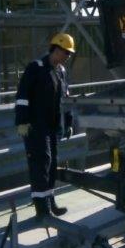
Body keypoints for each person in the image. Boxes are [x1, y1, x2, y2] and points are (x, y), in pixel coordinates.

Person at [15, 33, 76, 220]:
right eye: (66, 53)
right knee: (40, 164)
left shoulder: (61, 71)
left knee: (51, 164)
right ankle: (41, 208)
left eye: (69, 54)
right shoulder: (36, 68)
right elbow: (22, 96)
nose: (68, 56)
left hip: (52, 126)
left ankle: (50, 201)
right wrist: (22, 121)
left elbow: (65, 99)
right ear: (56, 49)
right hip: (35, 126)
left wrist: (69, 122)